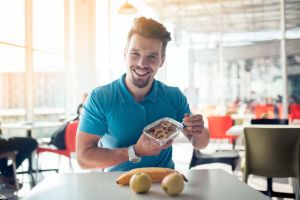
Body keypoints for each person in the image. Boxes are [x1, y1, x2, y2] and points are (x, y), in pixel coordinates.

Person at [76, 17, 210, 172]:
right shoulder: (100, 98)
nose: (141, 63)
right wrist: (134, 151)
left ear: (162, 60)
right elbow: (83, 158)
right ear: (125, 54)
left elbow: (199, 143)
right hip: (117, 186)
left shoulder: (174, 96)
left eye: (152, 56)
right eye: (135, 53)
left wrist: (200, 131)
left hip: (165, 184)